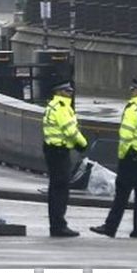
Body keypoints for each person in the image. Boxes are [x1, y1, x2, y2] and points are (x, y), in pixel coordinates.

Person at [91, 79, 137, 239]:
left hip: (131, 156)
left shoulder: (133, 108)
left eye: (133, 90)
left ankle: (110, 227)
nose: (132, 92)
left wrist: (122, 155)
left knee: (121, 194)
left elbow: (125, 135)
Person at [42, 82, 88, 237]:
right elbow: (70, 130)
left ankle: (56, 224)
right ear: (59, 92)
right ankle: (59, 225)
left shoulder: (53, 105)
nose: (70, 93)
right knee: (60, 190)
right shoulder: (61, 108)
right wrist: (82, 144)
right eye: (67, 91)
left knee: (55, 189)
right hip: (59, 151)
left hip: (52, 150)